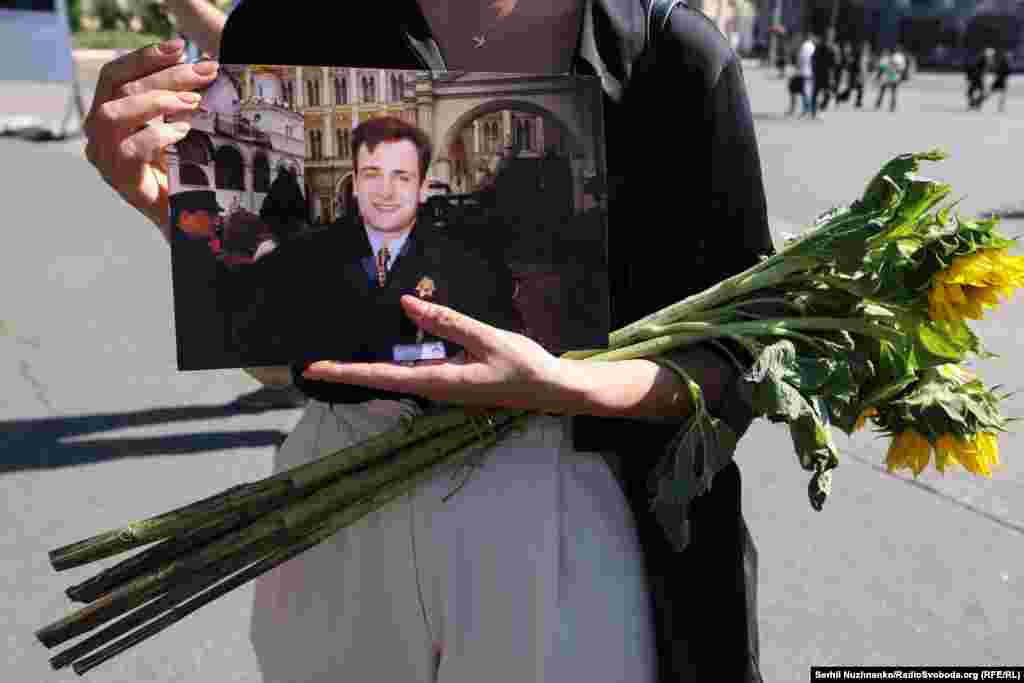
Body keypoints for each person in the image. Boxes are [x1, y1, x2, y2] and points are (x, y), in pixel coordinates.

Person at [81, 1, 774, 681]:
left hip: (567, 502)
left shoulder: (672, 56)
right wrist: (174, 218)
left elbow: (741, 357)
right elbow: (277, 363)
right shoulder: (281, 25)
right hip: (340, 494)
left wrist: (569, 386)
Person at [811, 30, 837, 117]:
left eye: (832, 36)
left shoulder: (833, 48)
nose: (831, 37)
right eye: (829, 35)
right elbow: (813, 59)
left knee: (827, 93)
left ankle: (821, 108)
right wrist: (814, 70)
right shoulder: (819, 47)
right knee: (815, 92)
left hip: (827, 74)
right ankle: (814, 111)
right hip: (819, 73)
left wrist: (832, 76)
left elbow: (833, 64)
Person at [874, 47, 903, 112]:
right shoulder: (898, 57)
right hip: (892, 77)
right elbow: (900, 68)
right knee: (890, 92)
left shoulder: (887, 59)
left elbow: (881, 68)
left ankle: (879, 104)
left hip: (889, 77)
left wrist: (878, 76)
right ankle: (890, 105)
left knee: (885, 91)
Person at [797, 32, 817, 118]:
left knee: (805, 91)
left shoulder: (804, 46)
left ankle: (805, 109)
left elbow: (800, 59)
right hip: (812, 72)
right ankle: (812, 111)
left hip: (804, 71)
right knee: (811, 92)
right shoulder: (813, 47)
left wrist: (799, 68)